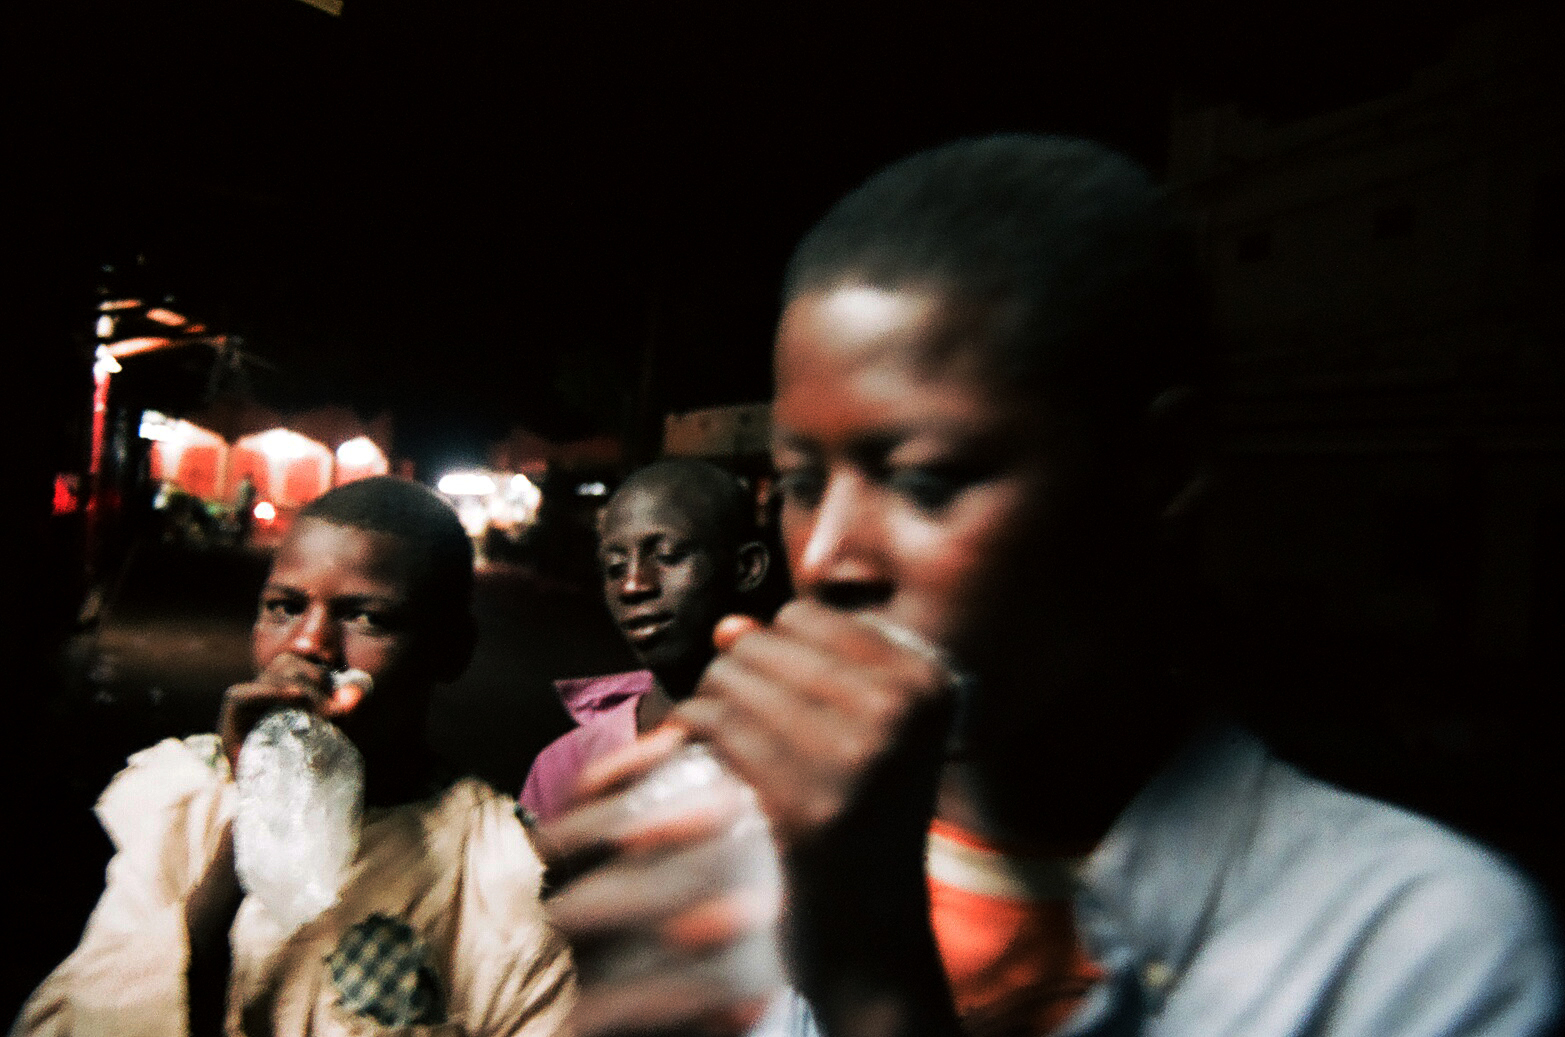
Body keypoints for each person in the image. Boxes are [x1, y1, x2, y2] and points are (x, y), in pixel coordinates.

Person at [538, 136, 1561, 1037]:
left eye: (926, 479)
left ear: (1155, 471)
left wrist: (873, 988)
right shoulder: (718, 845)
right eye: (802, 485)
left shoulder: (1409, 947)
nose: (831, 555)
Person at [14, 476, 574, 1037]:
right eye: (284, 607)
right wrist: (257, 813)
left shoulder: (504, 869)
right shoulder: (175, 802)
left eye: (368, 618)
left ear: (451, 650)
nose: (308, 643)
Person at [520, 458, 770, 824]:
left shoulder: (807, 743)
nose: (634, 585)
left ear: (746, 567)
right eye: (615, 567)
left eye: (668, 556)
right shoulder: (567, 768)